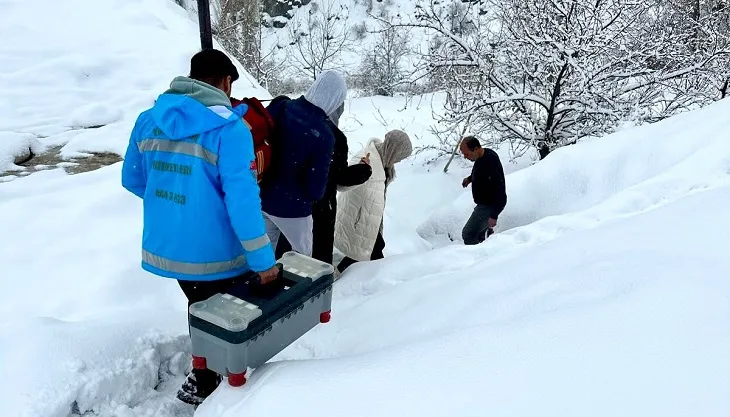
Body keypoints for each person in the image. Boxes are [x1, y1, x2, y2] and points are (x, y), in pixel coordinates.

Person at [121, 49, 279, 406]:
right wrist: (264, 261)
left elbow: (132, 179)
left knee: (198, 303)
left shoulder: (149, 119)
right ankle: (223, 385)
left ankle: (203, 370)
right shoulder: (231, 130)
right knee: (227, 315)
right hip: (217, 253)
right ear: (225, 82)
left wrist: (176, 203)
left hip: (168, 249)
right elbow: (243, 203)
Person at [259, 70, 347, 257]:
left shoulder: (282, 107)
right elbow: (315, 189)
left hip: (263, 198)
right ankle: (293, 286)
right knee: (303, 262)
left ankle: (263, 283)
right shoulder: (324, 135)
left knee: (264, 256)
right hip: (294, 210)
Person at [274, 103, 373, 264]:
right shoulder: (334, 136)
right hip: (320, 207)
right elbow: (339, 178)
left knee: (290, 254)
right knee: (315, 262)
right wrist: (364, 169)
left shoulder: (296, 120)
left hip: (290, 202)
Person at [333, 130, 413, 273]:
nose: (399, 160)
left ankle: (345, 274)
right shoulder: (366, 159)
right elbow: (343, 185)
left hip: (368, 218)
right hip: (357, 219)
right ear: (394, 149)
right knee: (367, 253)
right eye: (400, 156)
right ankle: (370, 283)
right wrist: (363, 170)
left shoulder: (383, 161)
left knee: (365, 251)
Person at [459, 136, 507, 245]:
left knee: (468, 233)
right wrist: (470, 179)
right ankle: (484, 248)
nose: (465, 157)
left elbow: (500, 190)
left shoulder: (490, 161)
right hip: (483, 204)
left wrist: (494, 215)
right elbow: (481, 173)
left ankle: (477, 259)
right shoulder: (481, 157)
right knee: (479, 234)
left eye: (467, 154)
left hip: (488, 206)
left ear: (476, 149)